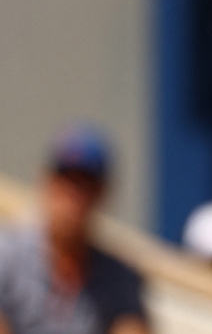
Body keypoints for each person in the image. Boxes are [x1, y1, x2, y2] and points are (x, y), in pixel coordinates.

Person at [0, 123, 150, 334]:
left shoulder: (121, 278)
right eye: (66, 182)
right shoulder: (6, 255)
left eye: (84, 186)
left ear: (102, 193)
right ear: (47, 182)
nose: (73, 198)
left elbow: (132, 327)